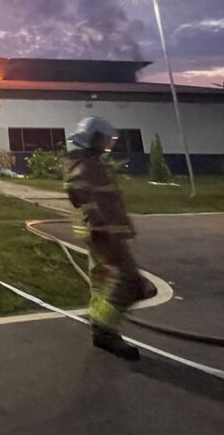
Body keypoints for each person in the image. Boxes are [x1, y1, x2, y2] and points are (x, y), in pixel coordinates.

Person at [65, 116, 150, 361]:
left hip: (105, 233)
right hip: (104, 235)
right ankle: (104, 327)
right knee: (128, 283)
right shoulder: (85, 167)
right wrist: (99, 226)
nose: (108, 144)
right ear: (95, 139)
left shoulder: (91, 163)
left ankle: (102, 329)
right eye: (105, 139)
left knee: (102, 282)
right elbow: (79, 193)